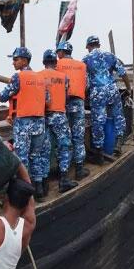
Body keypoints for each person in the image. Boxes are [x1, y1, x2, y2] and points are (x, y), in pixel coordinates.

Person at [0, 47, 49, 200]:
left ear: (24, 60)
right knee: (36, 155)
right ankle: (38, 189)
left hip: (24, 122)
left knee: (21, 158)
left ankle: (23, 193)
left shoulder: (18, 77)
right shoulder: (40, 77)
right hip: (39, 122)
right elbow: (47, 100)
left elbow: (3, 97)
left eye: (16, 59)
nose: (13, 63)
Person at [82, 35, 131, 164]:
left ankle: (98, 152)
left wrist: (83, 95)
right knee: (118, 115)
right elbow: (123, 73)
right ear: (98, 44)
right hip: (112, 90)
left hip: (97, 92)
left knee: (98, 120)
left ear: (88, 46)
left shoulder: (86, 60)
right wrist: (128, 88)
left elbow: (85, 82)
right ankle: (118, 143)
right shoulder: (110, 56)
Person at [38, 49, 78, 193]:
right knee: (64, 146)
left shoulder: (38, 76)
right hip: (60, 115)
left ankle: (43, 184)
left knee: (44, 148)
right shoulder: (64, 77)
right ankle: (64, 180)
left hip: (43, 116)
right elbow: (67, 98)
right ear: (55, 62)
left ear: (43, 62)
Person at [55, 41, 90, 180]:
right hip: (79, 102)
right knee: (78, 136)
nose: (57, 55)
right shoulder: (82, 65)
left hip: (62, 104)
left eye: (58, 52)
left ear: (62, 52)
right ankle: (79, 170)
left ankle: (62, 170)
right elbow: (86, 85)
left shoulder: (57, 65)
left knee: (63, 137)